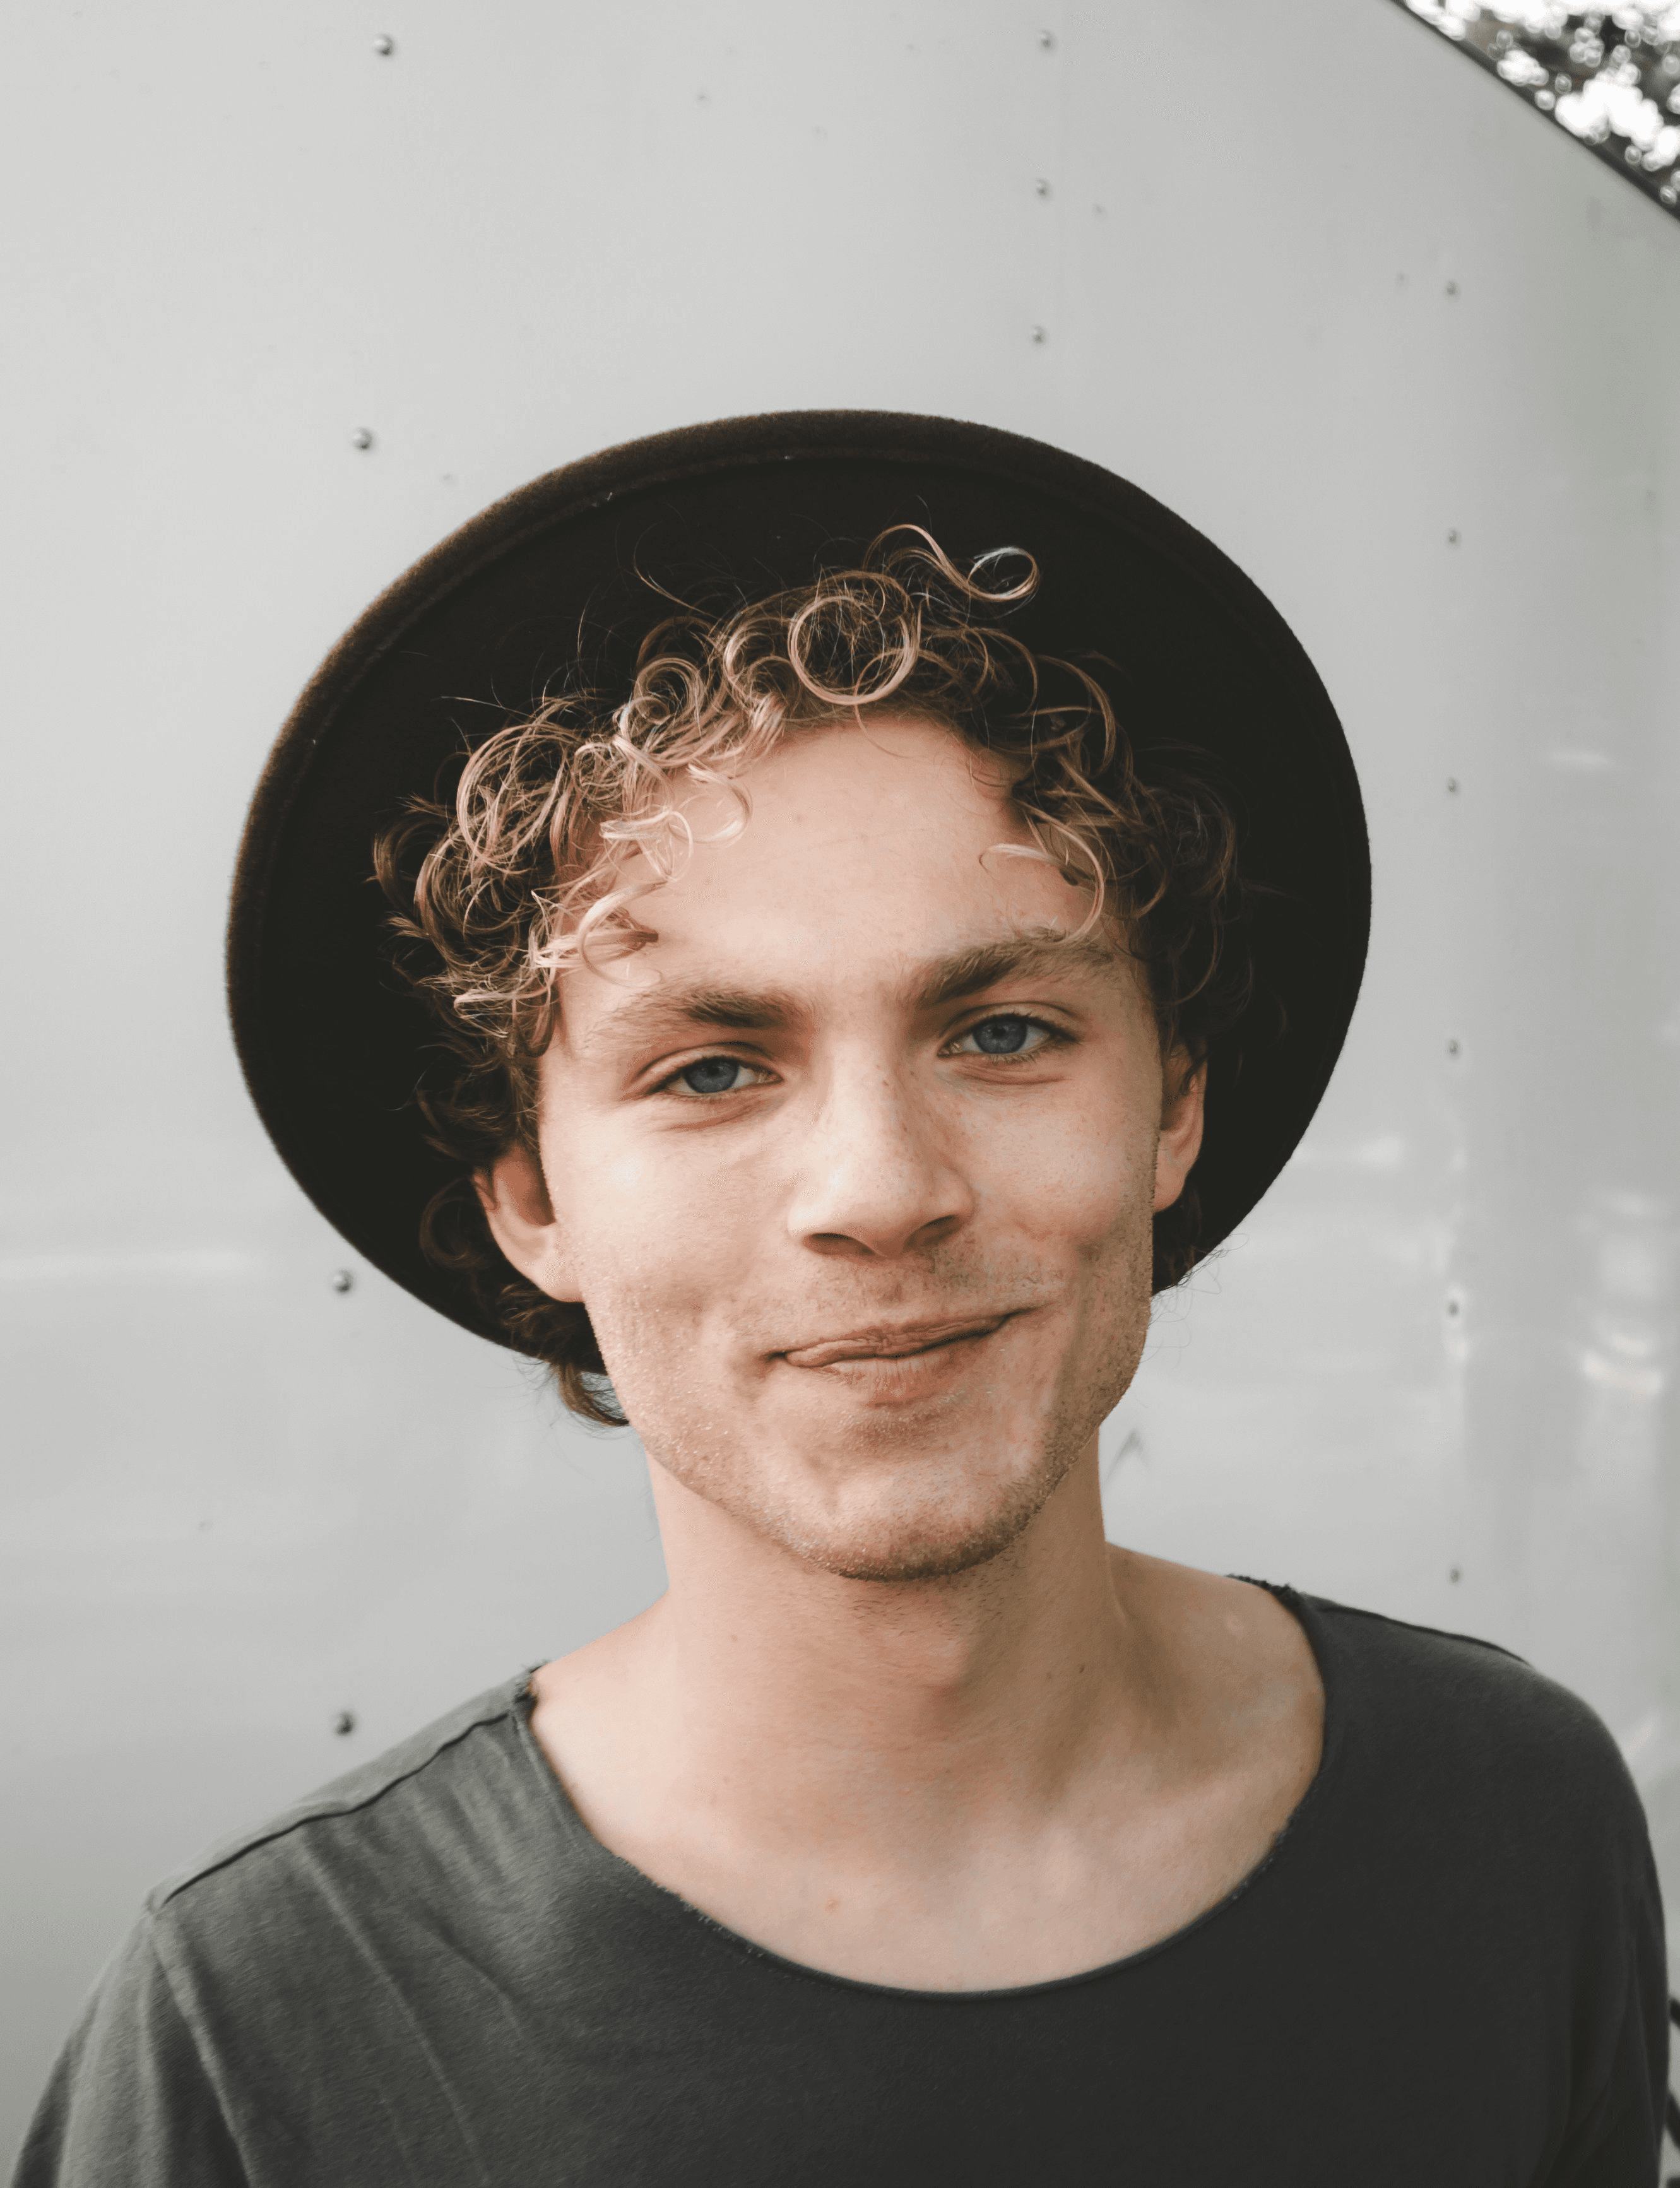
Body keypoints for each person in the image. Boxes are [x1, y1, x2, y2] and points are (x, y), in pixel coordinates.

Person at [15, 414, 1667, 2184]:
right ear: (527, 1196)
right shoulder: (267, 2033)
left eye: (1004, 1032)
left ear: (1173, 1105)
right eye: (713, 1070)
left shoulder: (1503, 1819)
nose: (878, 1189)